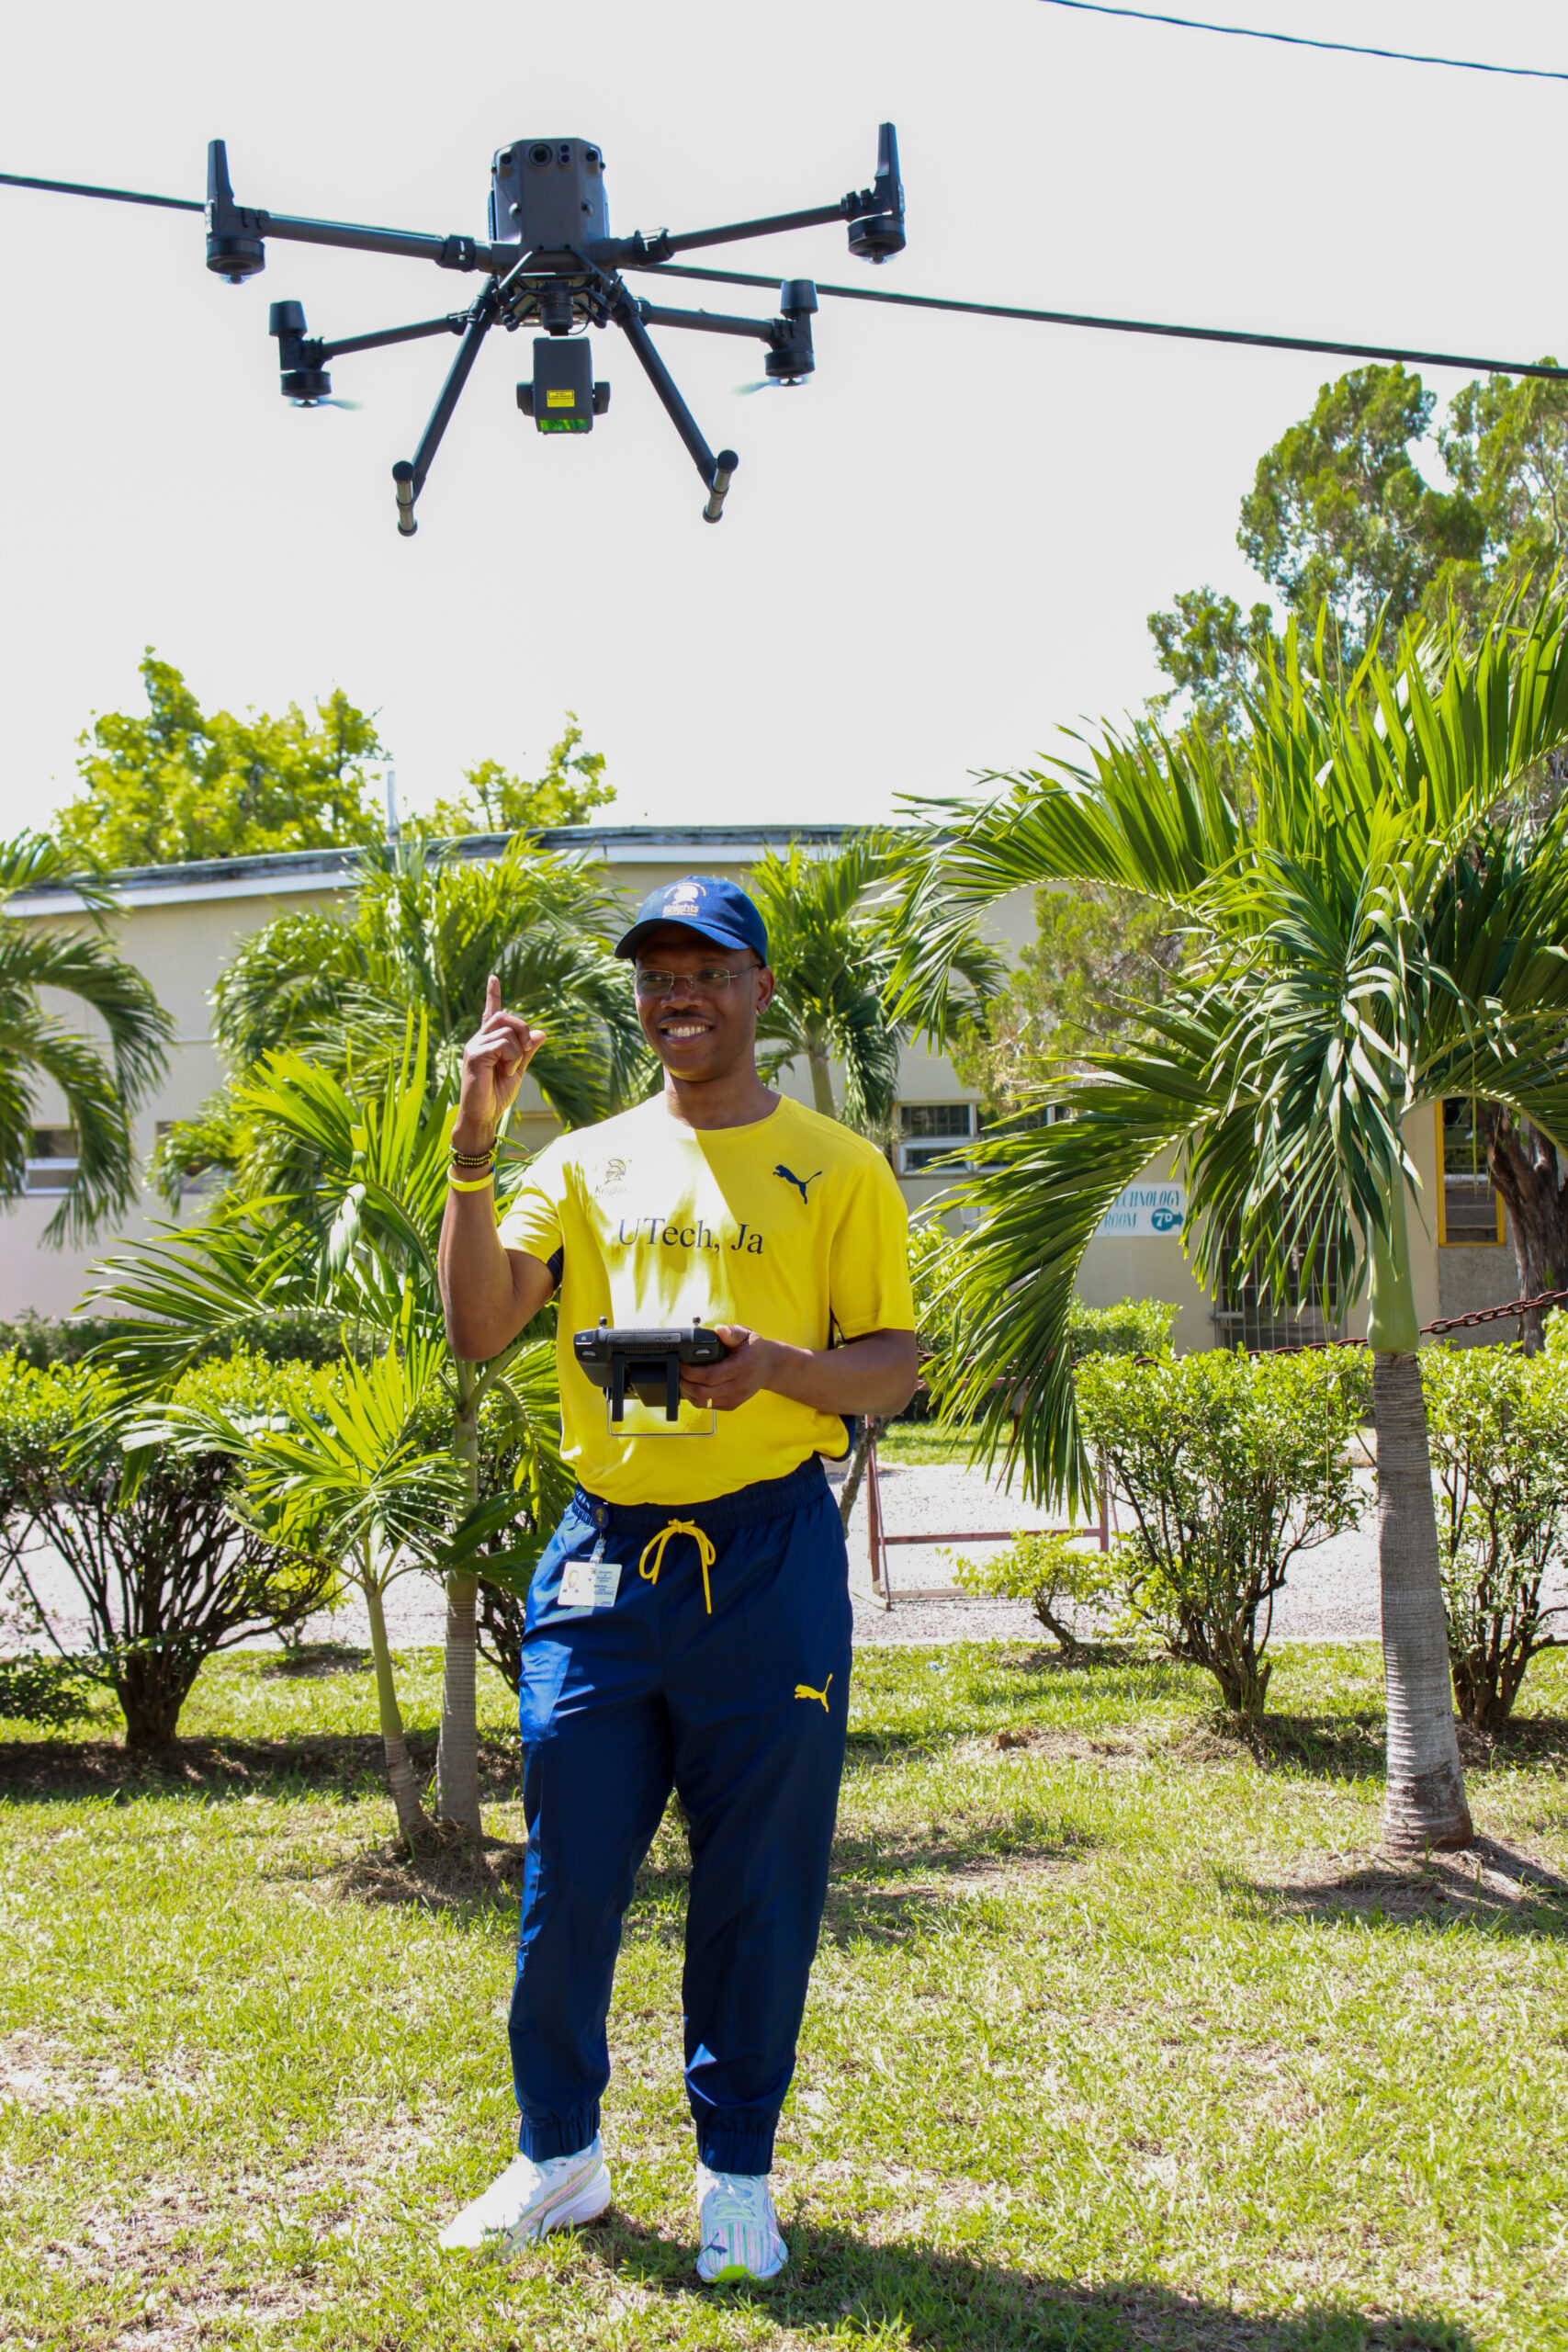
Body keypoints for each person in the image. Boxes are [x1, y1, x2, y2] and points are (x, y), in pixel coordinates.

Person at [435, 874, 918, 2283]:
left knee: (758, 1879)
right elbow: (479, 1328)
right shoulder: (579, 1160)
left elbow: (892, 1361)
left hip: (766, 1555)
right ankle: (558, 2157)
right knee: (568, 1873)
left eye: (706, 967)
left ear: (760, 989)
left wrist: (772, 1368)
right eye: (655, 973)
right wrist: (476, 1138)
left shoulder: (837, 1165)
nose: (676, 993)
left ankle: (736, 2176)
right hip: (602, 1558)